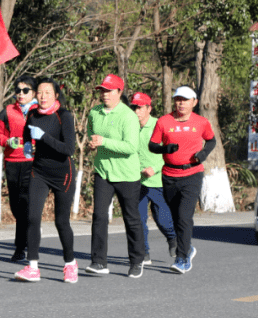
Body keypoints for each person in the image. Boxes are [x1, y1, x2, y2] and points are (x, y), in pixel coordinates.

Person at [14, 77, 78, 283]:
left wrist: (43, 137)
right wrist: (25, 145)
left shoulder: (64, 116)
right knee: (32, 217)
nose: (42, 96)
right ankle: (32, 266)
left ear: (56, 95)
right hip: (39, 171)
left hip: (63, 174)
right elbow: (26, 132)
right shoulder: (32, 114)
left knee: (61, 221)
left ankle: (70, 264)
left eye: (47, 93)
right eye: (39, 92)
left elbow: (68, 149)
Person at [149, 86, 216, 274]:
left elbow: (211, 141)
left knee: (184, 217)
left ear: (194, 102)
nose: (181, 103)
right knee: (175, 217)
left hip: (192, 175)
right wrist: (165, 149)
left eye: (185, 99)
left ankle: (182, 258)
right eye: (178, 99)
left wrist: (203, 154)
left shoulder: (201, 122)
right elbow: (152, 145)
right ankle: (187, 248)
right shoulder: (164, 121)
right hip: (169, 175)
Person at [85, 74, 146, 278]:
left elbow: (131, 147)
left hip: (127, 174)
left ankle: (137, 260)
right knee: (99, 216)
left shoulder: (128, 116)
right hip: (103, 171)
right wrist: (93, 143)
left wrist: (104, 142)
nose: (105, 94)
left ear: (120, 92)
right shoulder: (94, 112)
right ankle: (99, 261)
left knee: (131, 218)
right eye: (102, 90)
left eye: (109, 90)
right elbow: (91, 134)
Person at [0, 76, 38, 263]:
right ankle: (26, 235)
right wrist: (6, 141)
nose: (20, 94)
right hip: (12, 162)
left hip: (33, 163)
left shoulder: (40, 111)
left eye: (25, 90)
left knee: (26, 204)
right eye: (17, 90)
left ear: (34, 93)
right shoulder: (7, 111)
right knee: (16, 206)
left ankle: (21, 248)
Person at [131, 91, 177, 264]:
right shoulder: (130, 126)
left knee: (163, 220)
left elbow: (170, 153)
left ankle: (173, 239)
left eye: (140, 107)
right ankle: (144, 253)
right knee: (139, 219)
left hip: (157, 181)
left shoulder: (160, 125)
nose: (136, 111)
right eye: (134, 107)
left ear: (149, 108)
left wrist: (155, 168)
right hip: (137, 181)